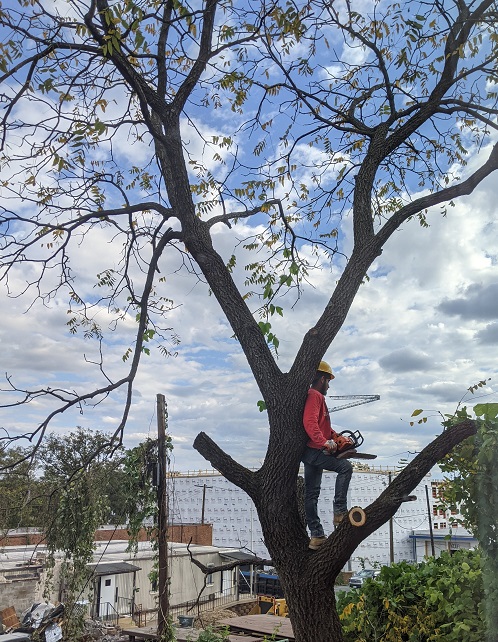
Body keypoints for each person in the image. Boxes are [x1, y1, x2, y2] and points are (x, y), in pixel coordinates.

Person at [302, 360, 354, 550]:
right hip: (314, 450)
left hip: (311, 451)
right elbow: (310, 423)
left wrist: (335, 437)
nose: (329, 386)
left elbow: (323, 427)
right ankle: (340, 511)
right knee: (345, 468)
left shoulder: (316, 398)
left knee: (312, 494)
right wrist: (324, 442)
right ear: (322, 379)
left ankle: (316, 536)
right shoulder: (315, 395)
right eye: (328, 381)